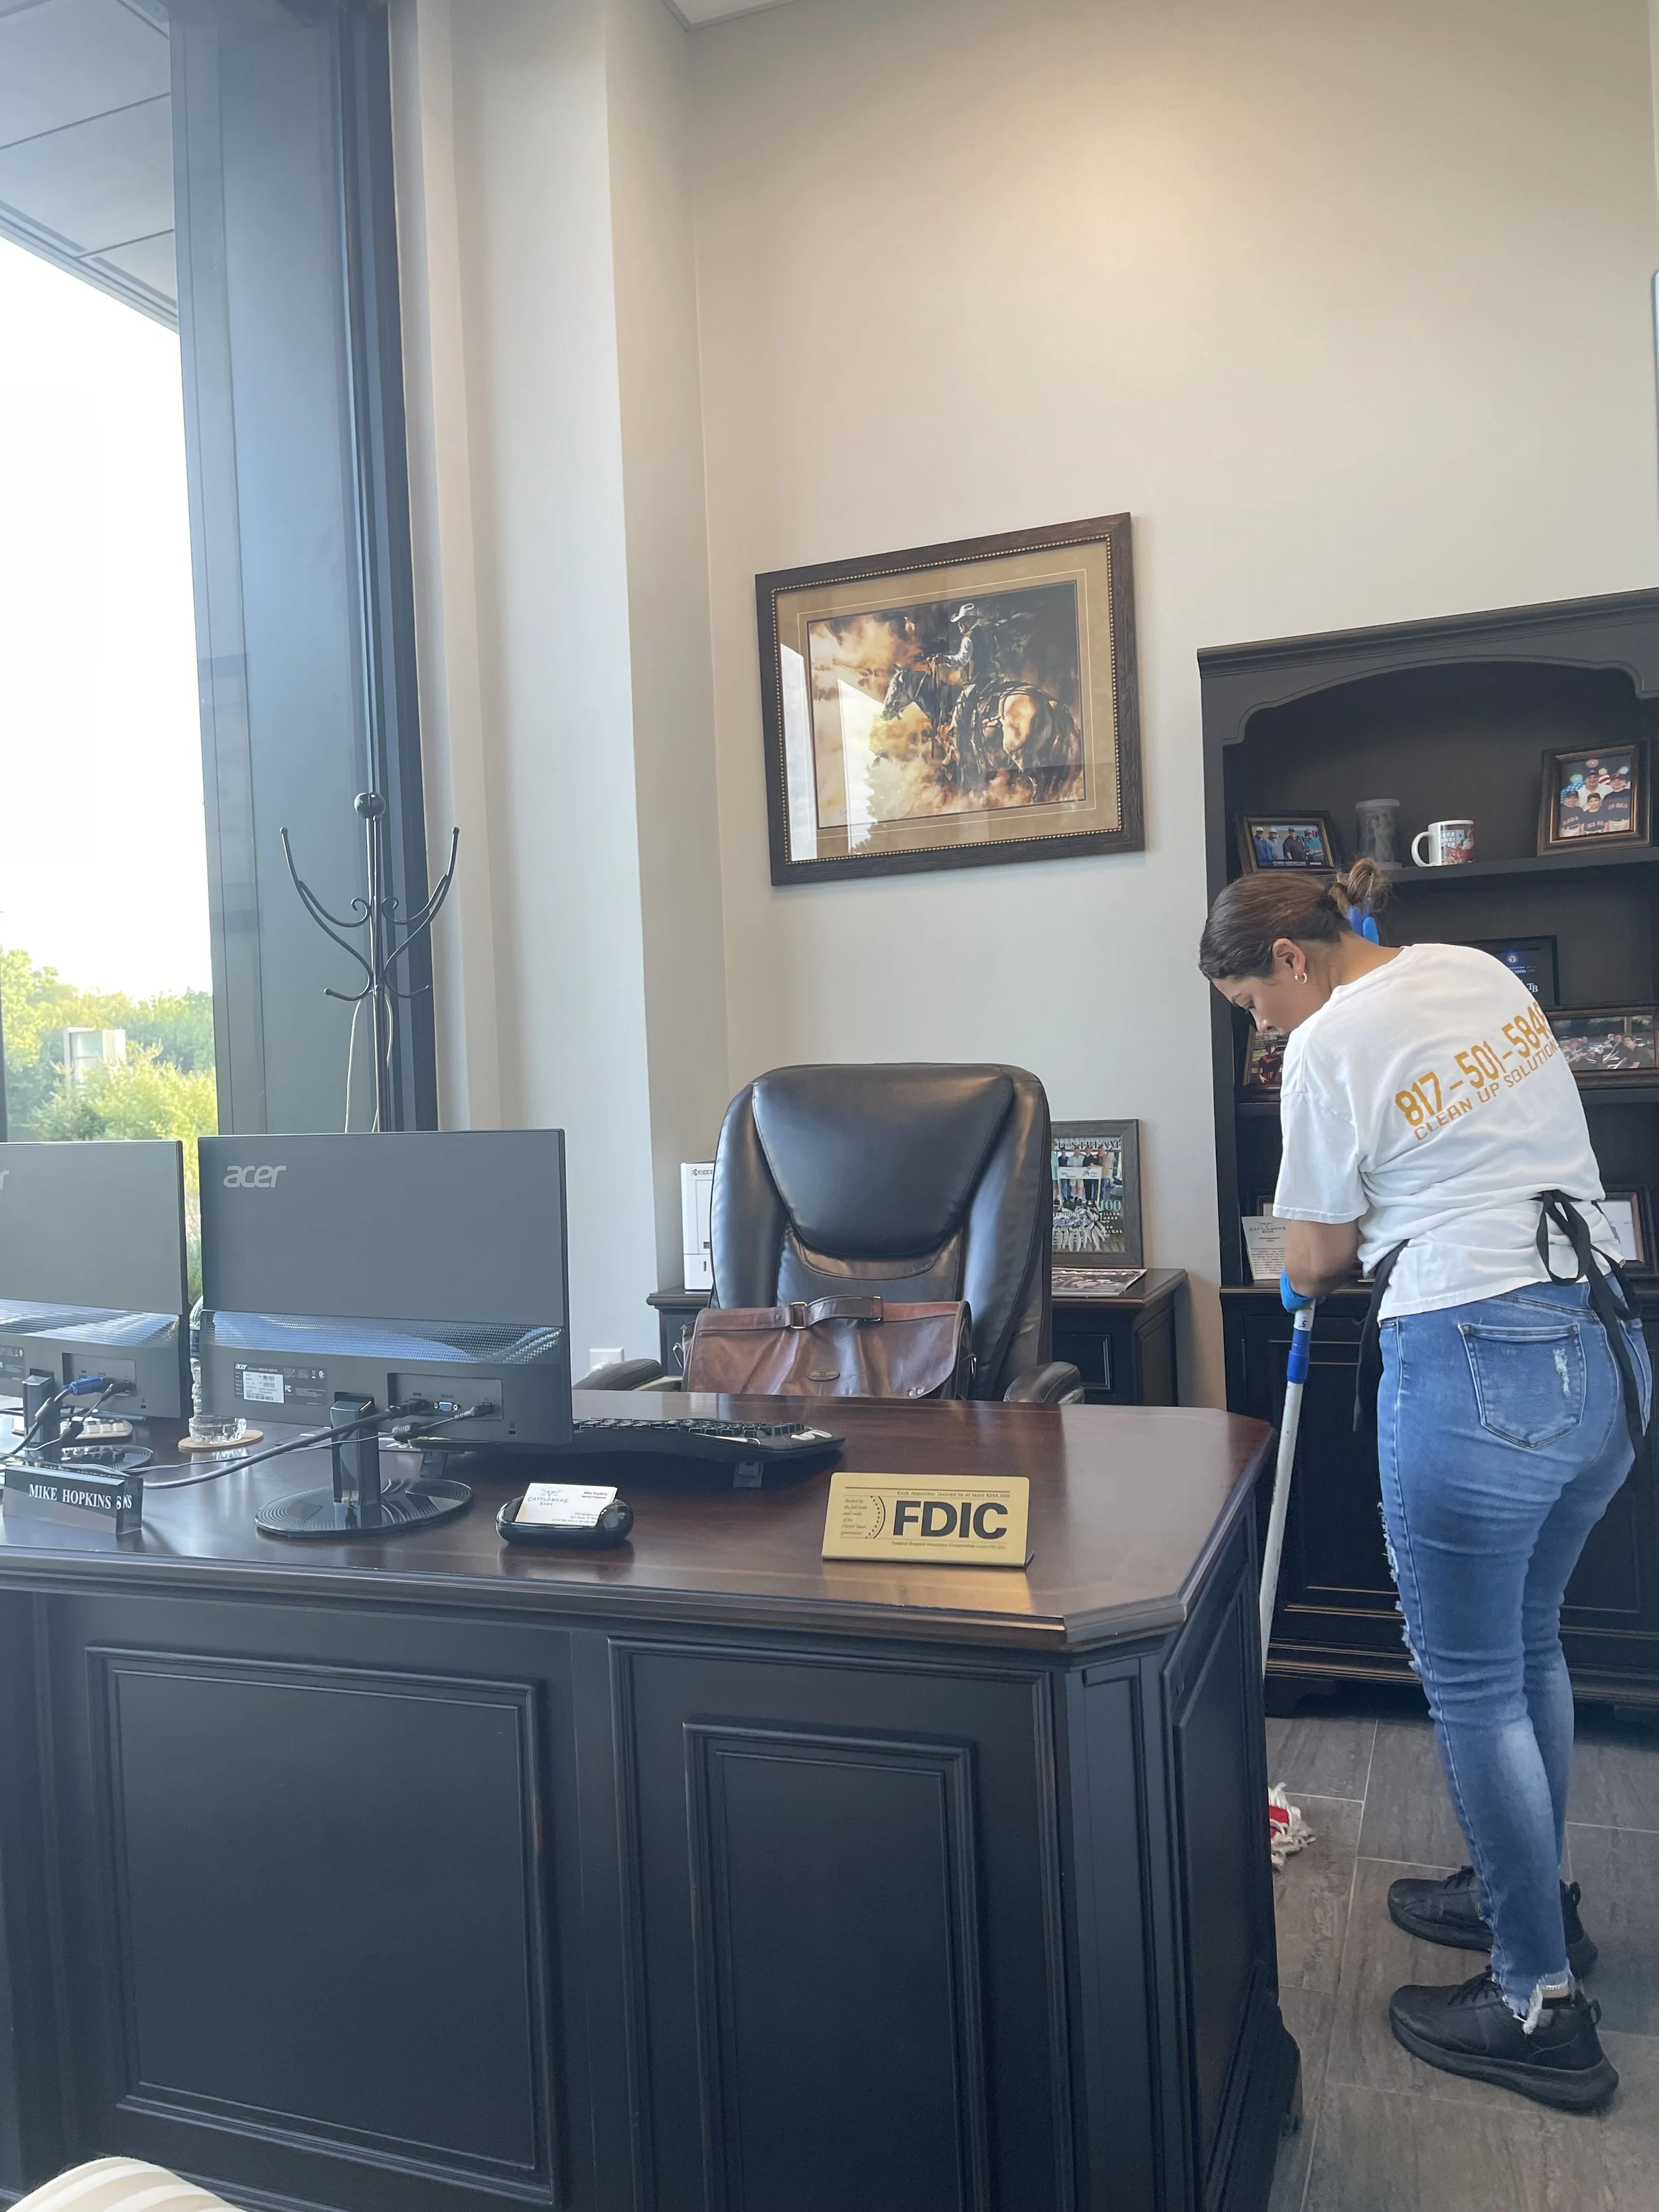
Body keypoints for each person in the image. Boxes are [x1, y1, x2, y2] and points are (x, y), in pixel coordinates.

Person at [1198, 857, 1650, 2115]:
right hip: (1603, 1344)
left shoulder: (1329, 1043)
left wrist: (1294, 1270)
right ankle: (1530, 1891)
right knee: (1530, 1646)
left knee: (1472, 1685)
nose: (1261, 1029)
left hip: (1474, 1359)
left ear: (1292, 960)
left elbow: (1320, 1251)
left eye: (1250, 1005)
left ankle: (1537, 2005)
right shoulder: (1464, 971)